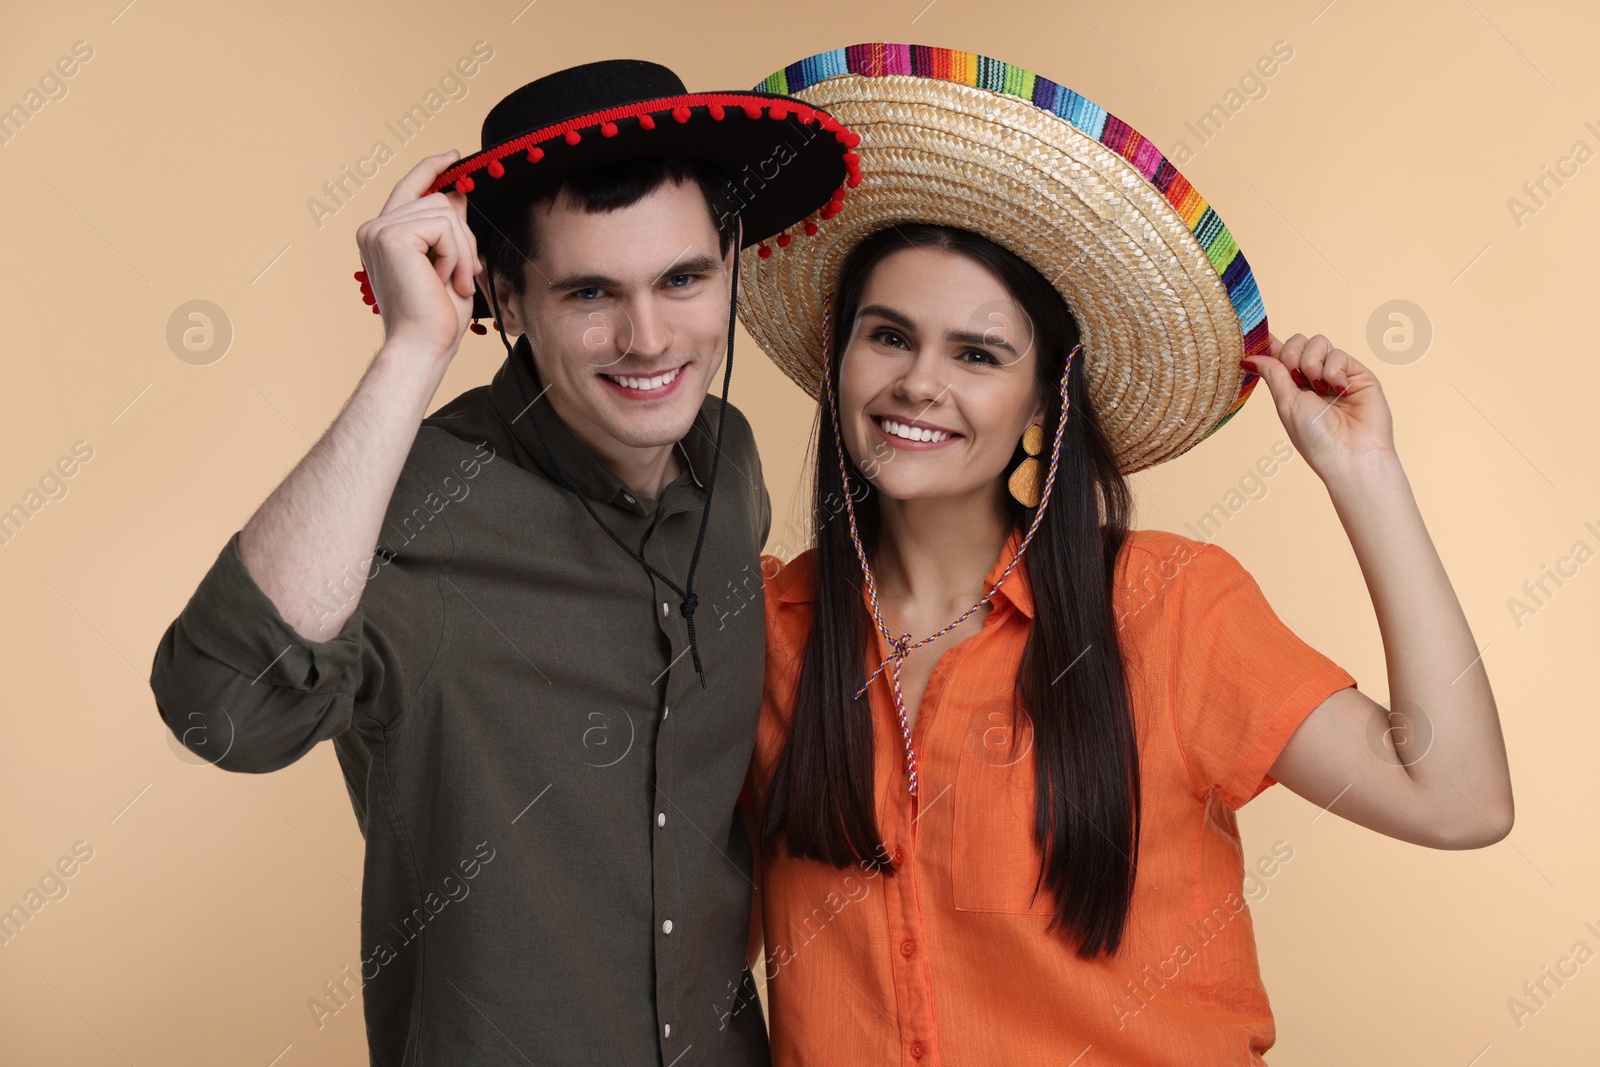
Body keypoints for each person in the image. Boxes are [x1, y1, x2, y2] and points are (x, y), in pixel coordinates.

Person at [732, 43, 1513, 1064]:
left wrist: (1364, 476)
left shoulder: (1166, 607)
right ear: (839, 359)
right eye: (888, 336)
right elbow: (681, 941)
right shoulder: (759, 632)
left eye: (977, 353)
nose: (918, 382)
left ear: (1041, 400)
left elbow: (1458, 800)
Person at [147, 58, 853, 1065]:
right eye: (590, 292)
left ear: (732, 260)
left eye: (683, 278)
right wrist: (409, 350)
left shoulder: (727, 468)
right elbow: (220, 708)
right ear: (508, 301)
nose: (648, 337)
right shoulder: (404, 507)